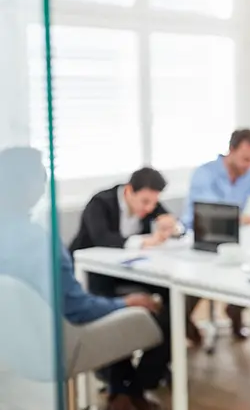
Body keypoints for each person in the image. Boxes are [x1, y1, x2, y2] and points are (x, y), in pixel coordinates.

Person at [0, 147, 166, 410]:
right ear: (30, 186)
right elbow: (79, 309)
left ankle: (124, 392)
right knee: (154, 314)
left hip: (23, 343)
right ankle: (128, 391)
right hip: (66, 336)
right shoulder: (38, 240)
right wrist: (125, 304)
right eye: (42, 175)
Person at [68, 167, 176, 399]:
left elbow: (170, 224)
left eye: (153, 203)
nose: (149, 208)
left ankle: (144, 377)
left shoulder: (150, 203)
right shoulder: (100, 203)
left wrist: (171, 225)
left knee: (172, 298)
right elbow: (102, 239)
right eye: (145, 202)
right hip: (93, 273)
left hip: (130, 271)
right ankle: (120, 382)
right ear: (128, 191)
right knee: (110, 315)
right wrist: (145, 241)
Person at [181, 129, 250, 341]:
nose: (248, 165)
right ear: (231, 150)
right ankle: (184, 322)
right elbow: (217, 214)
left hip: (236, 238)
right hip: (201, 238)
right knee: (199, 279)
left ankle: (235, 310)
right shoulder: (205, 173)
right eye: (245, 158)